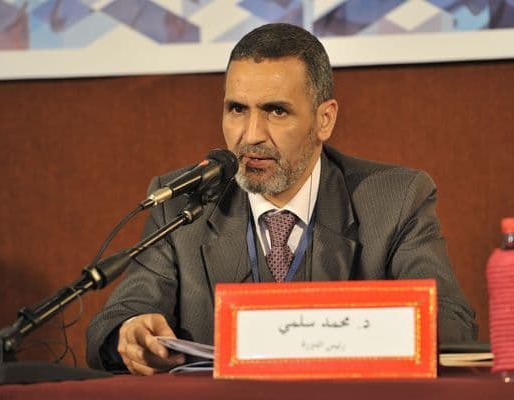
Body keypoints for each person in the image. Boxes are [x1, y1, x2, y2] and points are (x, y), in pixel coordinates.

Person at [86, 23, 477, 375]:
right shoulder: (182, 201)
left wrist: (352, 334)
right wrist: (131, 333)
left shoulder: (394, 200)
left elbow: (452, 322)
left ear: (324, 119)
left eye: (275, 111)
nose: (251, 135)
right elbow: (118, 318)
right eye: (237, 109)